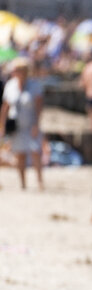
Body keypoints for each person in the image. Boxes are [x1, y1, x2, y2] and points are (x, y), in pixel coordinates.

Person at [0, 57, 44, 190]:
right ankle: (23, 183)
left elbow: (38, 106)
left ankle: (40, 181)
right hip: (16, 125)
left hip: (31, 123)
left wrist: (36, 124)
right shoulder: (10, 85)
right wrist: (2, 125)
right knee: (20, 154)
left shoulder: (34, 85)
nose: (13, 73)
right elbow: (5, 107)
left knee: (35, 151)